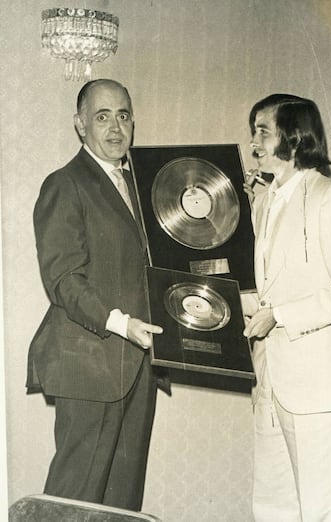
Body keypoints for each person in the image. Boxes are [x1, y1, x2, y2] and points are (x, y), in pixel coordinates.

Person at [26, 79, 168, 511]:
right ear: (80, 125)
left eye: (123, 115)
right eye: (102, 116)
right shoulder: (64, 184)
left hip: (141, 365)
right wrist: (122, 324)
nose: (115, 127)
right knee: (75, 499)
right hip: (88, 364)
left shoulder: (144, 188)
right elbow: (64, 279)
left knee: (123, 500)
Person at [242, 94, 331, 522]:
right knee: (272, 506)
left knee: (316, 511)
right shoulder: (267, 200)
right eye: (254, 132)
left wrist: (280, 315)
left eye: (263, 130)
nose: (254, 142)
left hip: (314, 389)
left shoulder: (330, 197)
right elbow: (272, 283)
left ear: (294, 137)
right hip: (270, 380)